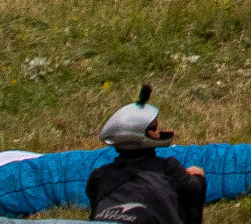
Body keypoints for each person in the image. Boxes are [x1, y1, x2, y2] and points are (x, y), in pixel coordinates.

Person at [87, 90, 204, 223]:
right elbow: (194, 190)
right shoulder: (169, 169)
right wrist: (198, 177)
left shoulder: (99, 176)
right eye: (154, 128)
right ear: (139, 136)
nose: (159, 130)